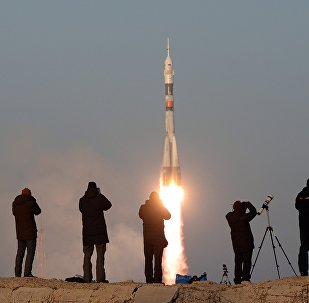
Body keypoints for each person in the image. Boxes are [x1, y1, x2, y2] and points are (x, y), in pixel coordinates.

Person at [79, 181, 112, 283]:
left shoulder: (82, 200)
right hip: (100, 232)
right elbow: (108, 205)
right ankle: (100, 279)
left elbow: (81, 210)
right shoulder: (99, 199)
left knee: (87, 256)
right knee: (100, 257)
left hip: (87, 233)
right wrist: (100, 194)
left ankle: (87, 278)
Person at [139, 191, 171, 283]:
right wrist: (161, 205)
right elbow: (168, 216)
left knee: (148, 259)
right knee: (158, 260)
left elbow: (140, 215)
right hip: (158, 238)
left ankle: (148, 279)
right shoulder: (160, 207)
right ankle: (157, 280)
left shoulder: (143, 207)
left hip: (147, 238)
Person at [12, 187, 41, 277]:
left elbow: (14, 213)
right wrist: (32, 200)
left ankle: (17, 273)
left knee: (20, 252)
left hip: (20, 232)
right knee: (30, 252)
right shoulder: (31, 203)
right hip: (30, 232)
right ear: (30, 194)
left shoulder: (15, 203)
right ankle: (27, 273)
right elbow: (38, 211)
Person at [226, 201, 257, 284]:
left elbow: (233, 214)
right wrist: (248, 204)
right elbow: (254, 212)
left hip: (236, 243)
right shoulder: (244, 218)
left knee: (238, 261)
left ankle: (237, 279)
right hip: (247, 242)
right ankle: (245, 278)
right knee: (247, 261)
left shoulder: (229, 216)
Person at [295, 178, 309, 276]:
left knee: (304, 248)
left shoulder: (300, 194)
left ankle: (303, 270)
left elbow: (297, 206)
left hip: (303, 225)